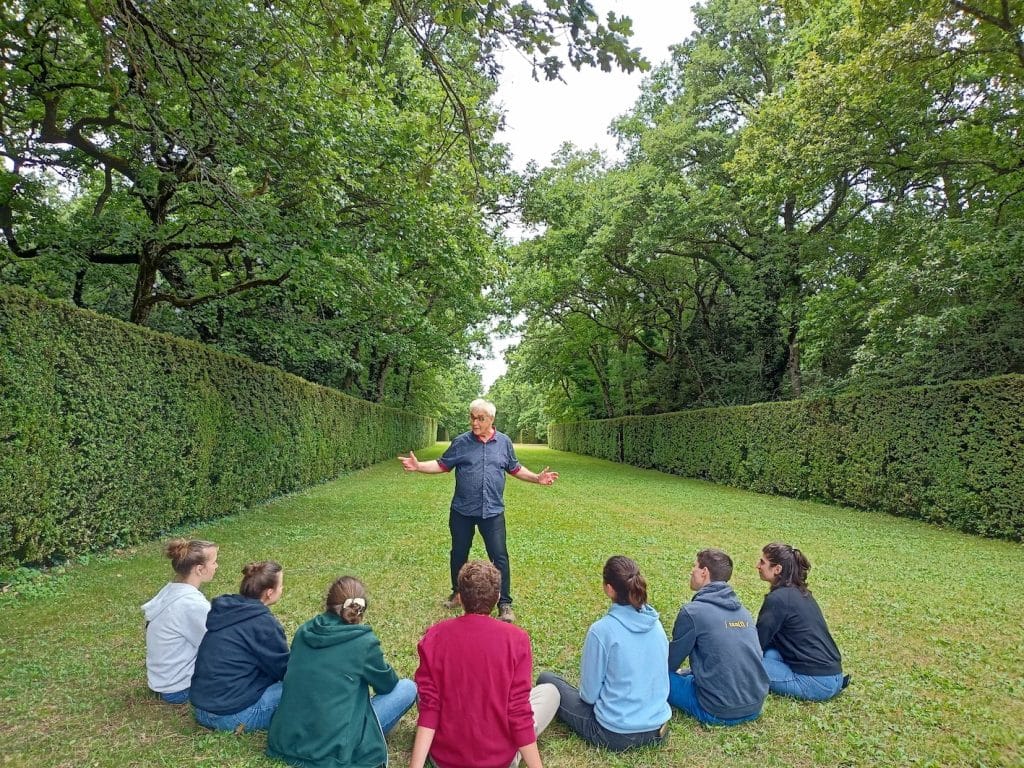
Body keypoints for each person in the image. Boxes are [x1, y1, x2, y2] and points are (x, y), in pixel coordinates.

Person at [398, 398, 558, 623]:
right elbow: (442, 464)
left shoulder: (504, 442)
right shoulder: (461, 442)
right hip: (462, 510)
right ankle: (458, 593)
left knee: (499, 556)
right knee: (458, 553)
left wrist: (536, 478)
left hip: (492, 511)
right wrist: (418, 466)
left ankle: (504, 604)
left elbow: (515, 468)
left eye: (480, 418)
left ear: (491, 420)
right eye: (472, 417)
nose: (475, 423)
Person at [409, 560, 560, 768]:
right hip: (498, 758)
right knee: (550, 692)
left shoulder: (435, 636)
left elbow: (430, 705)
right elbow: (518, 711)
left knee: (424, 691)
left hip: (445, 758)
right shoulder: (516, 640)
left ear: (460, 598)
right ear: (497, 598)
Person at [267, 576, 417, 768]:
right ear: (361, 610)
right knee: (407, 688)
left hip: (286, 741)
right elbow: (388, 684)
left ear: (328, 602)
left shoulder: (304, 631)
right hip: (333, 749)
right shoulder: (364, 642)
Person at [537, 555, 670, 752]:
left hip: (615, 733)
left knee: (547, 679)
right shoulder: (656, 624)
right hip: (658, 728)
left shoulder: (602, 631)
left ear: (609, 589)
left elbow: (589, 696)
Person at [667, 548, 768, 726]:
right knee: (686, 675)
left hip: (717, 710)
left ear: (704, 572)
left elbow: (669, 663)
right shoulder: (743, 612)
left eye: (695, 566)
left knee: (654, 675)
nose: (692, 570)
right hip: (755, 705)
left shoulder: (692, 613)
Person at [190, 561, 289, 732]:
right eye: (281, 585)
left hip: (202, 710)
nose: (283, 589)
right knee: (302, 687)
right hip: (233, 716)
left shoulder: (227, 611)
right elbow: (285, 670)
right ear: (269, 592)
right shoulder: (263, 623)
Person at [755, 542, 849, 701]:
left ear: (777, 569)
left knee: (741, 663)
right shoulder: (801, 593)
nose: (757, 565)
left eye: (762, 562)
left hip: (815, 682)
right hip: (833, 676)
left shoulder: (777, 599)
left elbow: (756, 643)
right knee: (770, 654)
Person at [142, 538, 219, 704]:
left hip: (162, 681)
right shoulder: (191, 604)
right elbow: (215, 645)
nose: (216, 566)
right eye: (213, 562)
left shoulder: (170, 590)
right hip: (179, 688)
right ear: (200, 569)